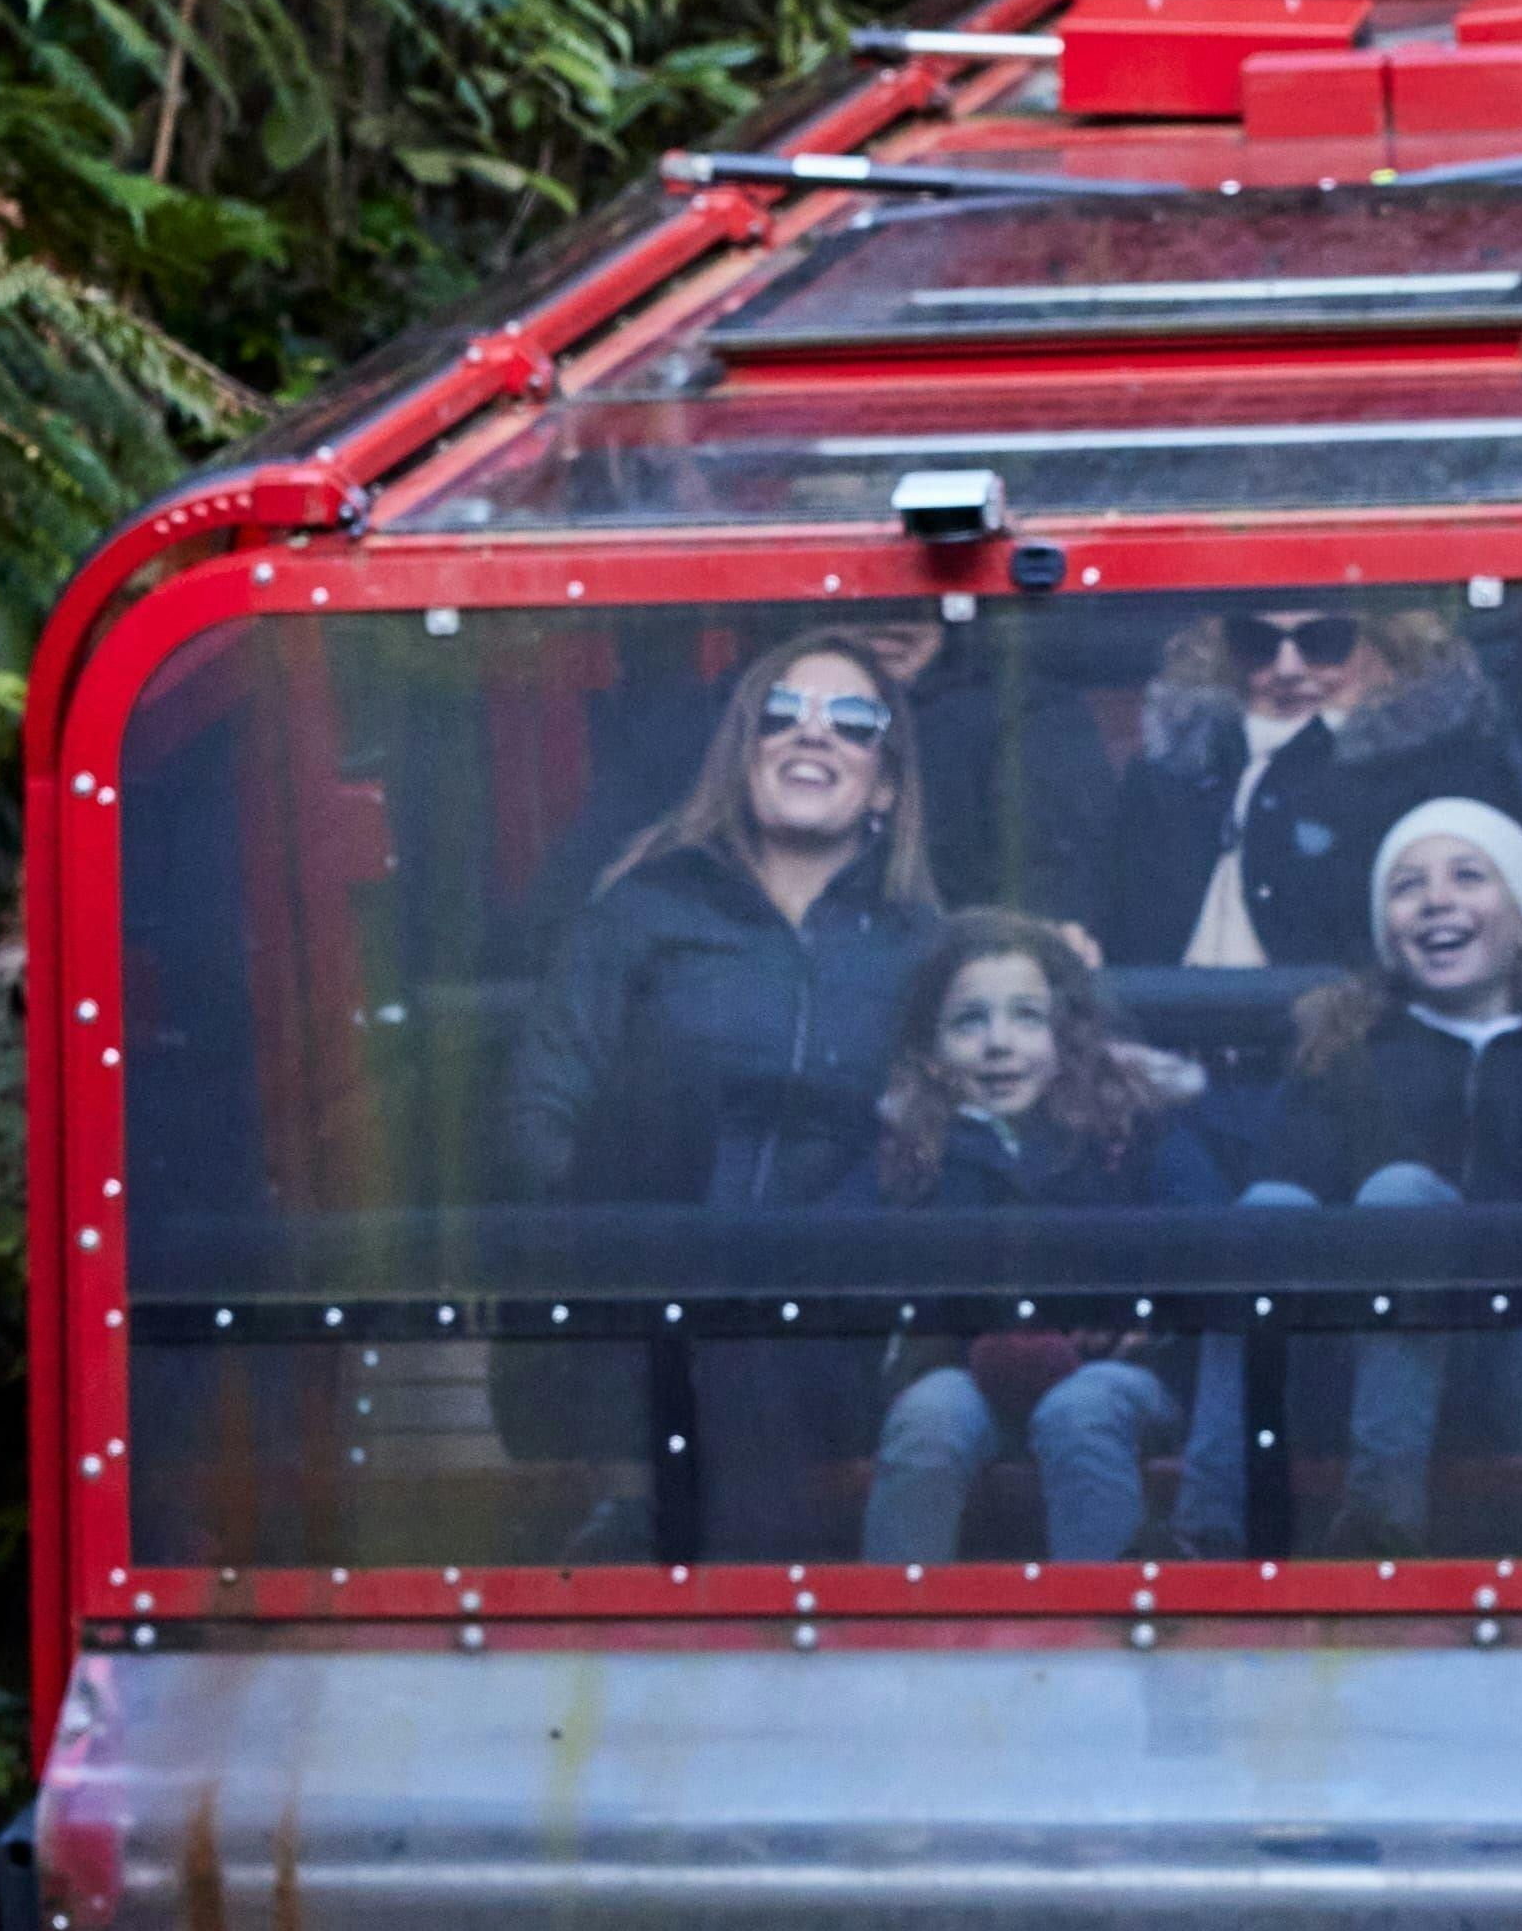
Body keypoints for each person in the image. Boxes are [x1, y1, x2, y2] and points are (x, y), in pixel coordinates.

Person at [503, 629, 937, 1546]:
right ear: (743, 757)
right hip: (634, 1311)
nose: (811, 733)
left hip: (833, 1325)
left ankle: (659, 1550)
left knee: (753, 1344)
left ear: (886, 787)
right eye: (780, 714)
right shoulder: (643, 910)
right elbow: (542, 1109)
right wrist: (613, 1248)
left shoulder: (923, 950)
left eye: (851, 721)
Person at [1254, 798, 1522, 1552]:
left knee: (1402, 1196)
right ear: (1386, 928)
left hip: (1517, 1369)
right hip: (1349, 1380)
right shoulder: (1339, 1060)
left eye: (1468, 875)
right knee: (1272, 1206)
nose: (1436, 900)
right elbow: (1284, 1224)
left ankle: (1380, 1527)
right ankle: (1207, 1533)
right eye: (1407, 885)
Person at [853, 912, 1222, 1562]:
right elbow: (850, 1254)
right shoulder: (909, 1148)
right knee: (929, 1415)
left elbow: (1211, 1232)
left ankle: (1110, 1612)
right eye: (969, 1022)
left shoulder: (1130, 1126)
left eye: (1027, 1017)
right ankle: (897, 1615)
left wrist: (1145, 1313)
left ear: (1068, 1032)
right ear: (930, 1049)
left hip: (1118, 1372)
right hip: (965, 1372)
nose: (999, 1043)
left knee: (1080, 1412)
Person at [1098, 592, 1522, 979]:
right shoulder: (1168, 774)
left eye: (1324, 641)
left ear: (1389, 646)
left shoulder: (1440, 774)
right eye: (1256, 641)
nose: (1288, 668)